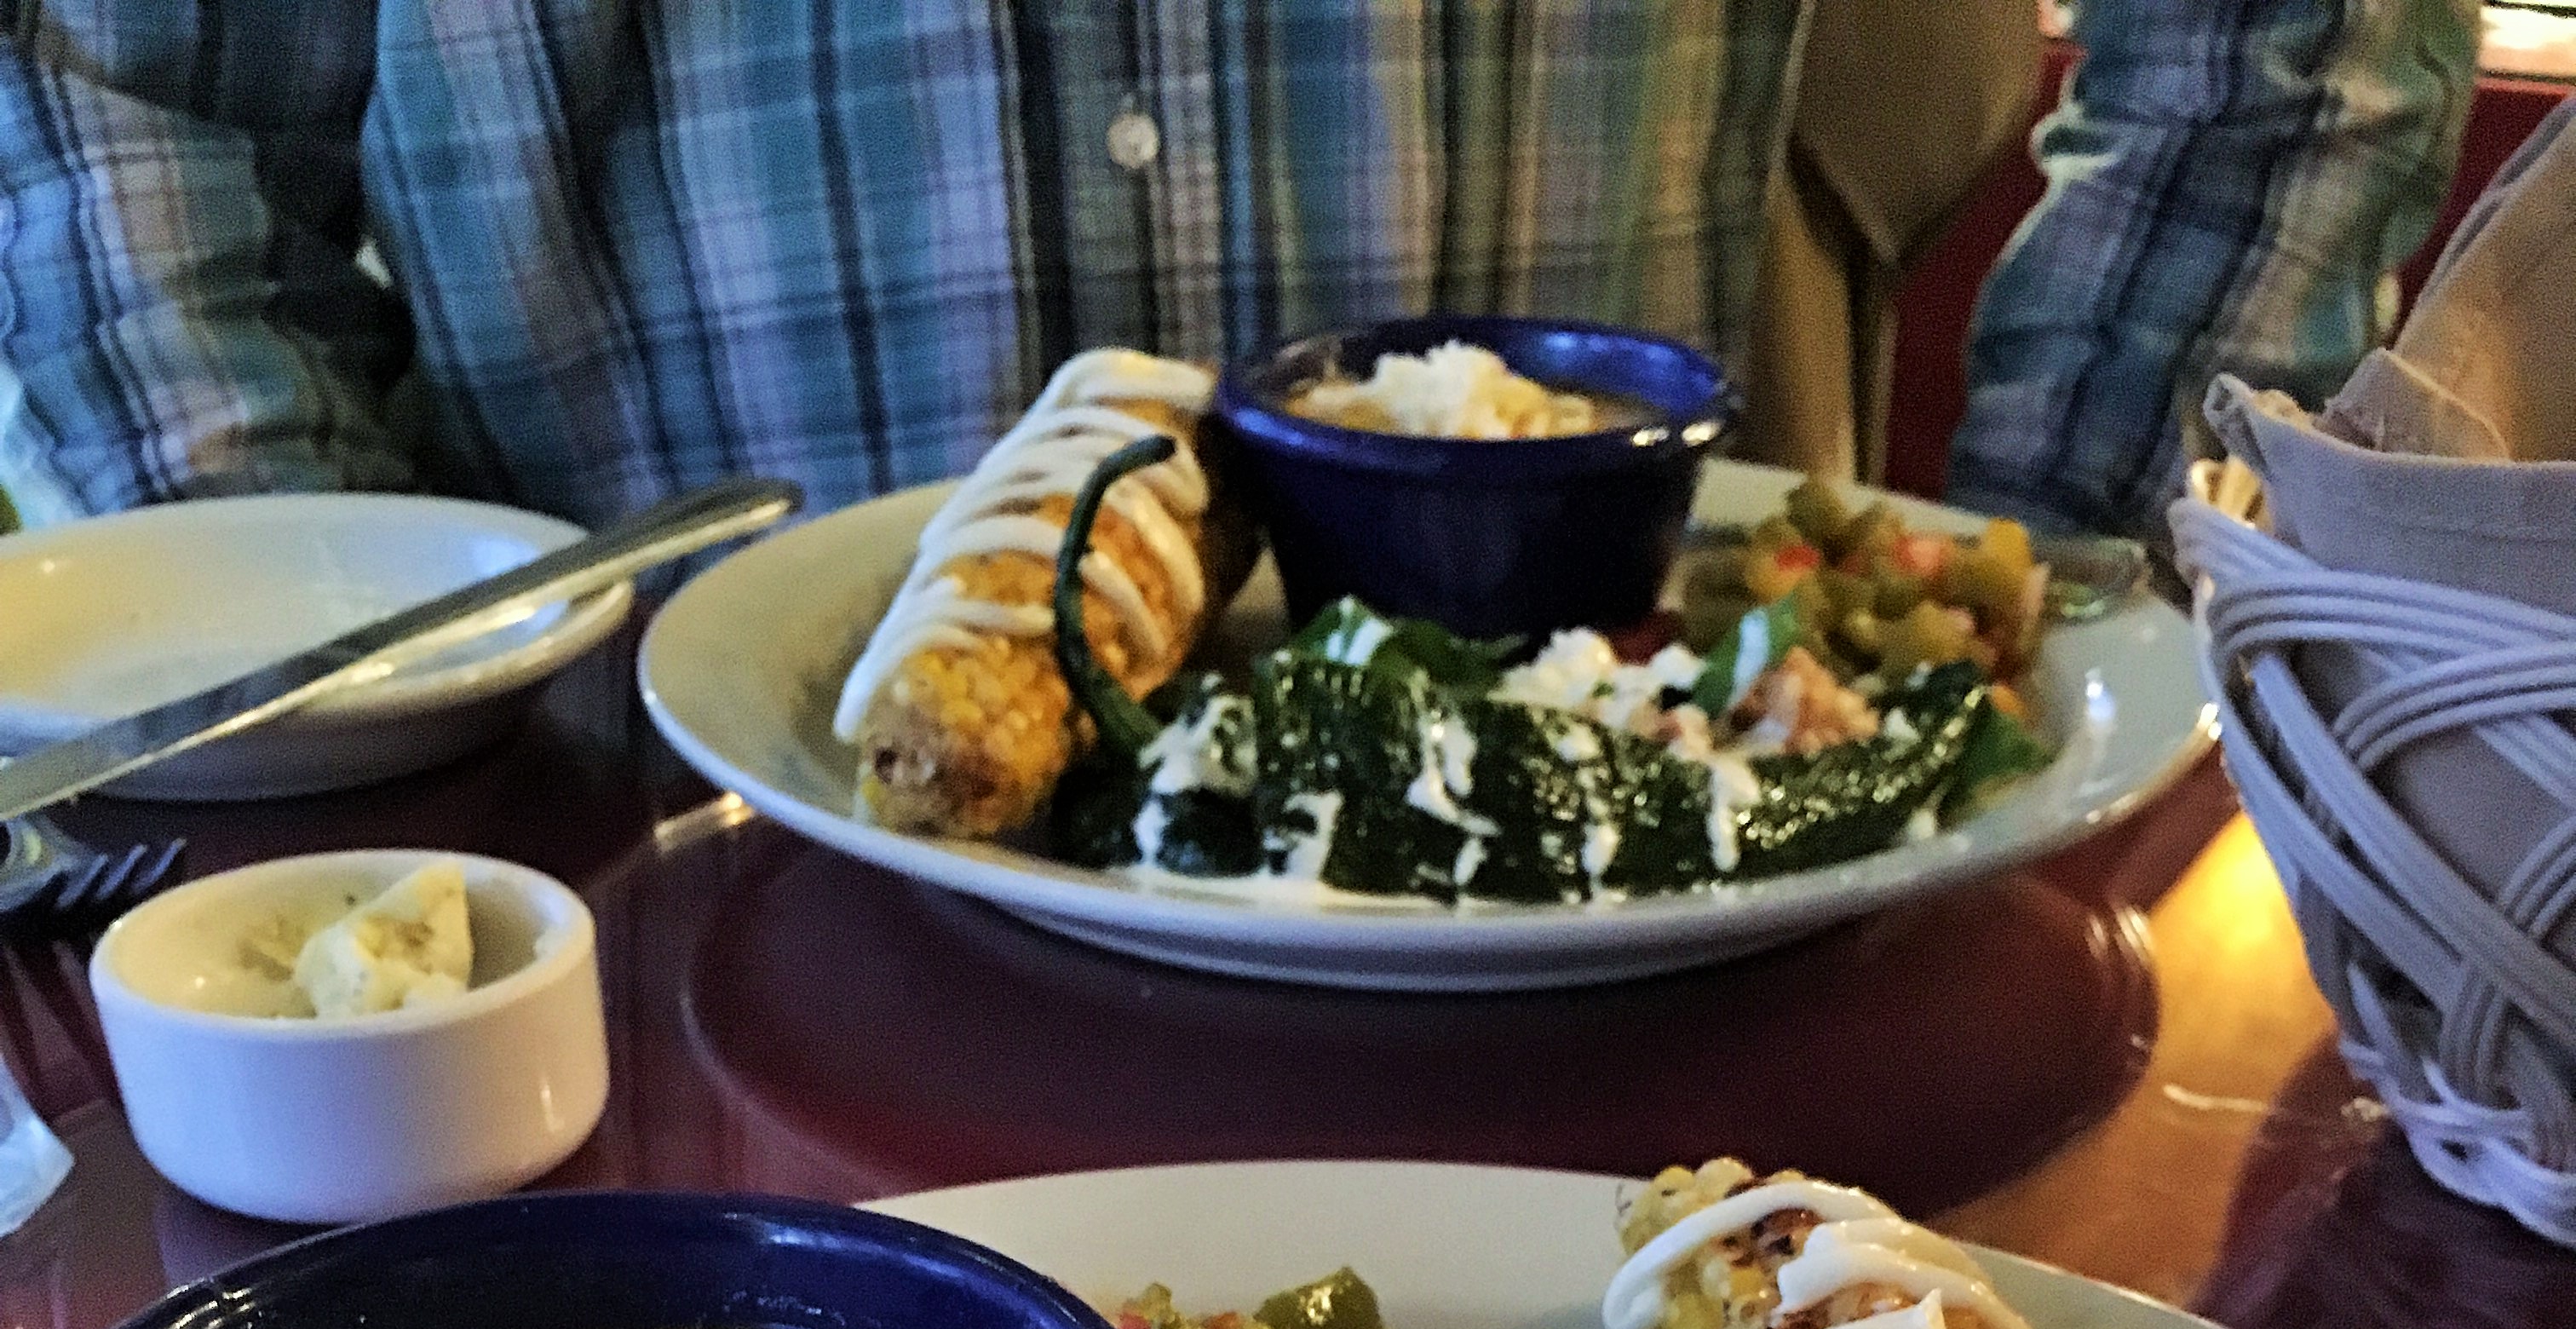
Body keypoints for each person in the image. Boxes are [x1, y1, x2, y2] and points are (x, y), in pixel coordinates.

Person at [0, 0, 2478, 542]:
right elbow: (100, 69)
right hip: (660, 993)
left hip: (1662, 950)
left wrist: (2049, 595)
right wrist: (332, 713)